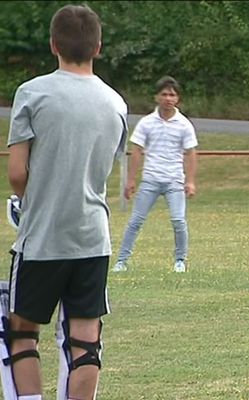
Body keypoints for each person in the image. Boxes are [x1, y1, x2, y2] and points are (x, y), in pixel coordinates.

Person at [2, 4, 127, 399]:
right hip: (92, 237)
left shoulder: (32, 93)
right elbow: (100, 168)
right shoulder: (116, 103)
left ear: (53, 44)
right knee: (85, 341)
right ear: (99, 47)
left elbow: (18, 173)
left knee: (22, 332)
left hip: (43, 237)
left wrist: (29, 201)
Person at [112, 76, 198, 273]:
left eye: (172, 95)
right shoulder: (147, 123)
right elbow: (136, 150)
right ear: (157, 97)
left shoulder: (184, 124)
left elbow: (191, 153)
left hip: (174, 180)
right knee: (136, 220)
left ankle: (180, 261)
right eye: (164, 94)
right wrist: (131, 180)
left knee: (178, 220)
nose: (168, 98)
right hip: (151, 179)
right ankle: (122, 261)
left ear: (177, 99)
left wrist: (190, 181)